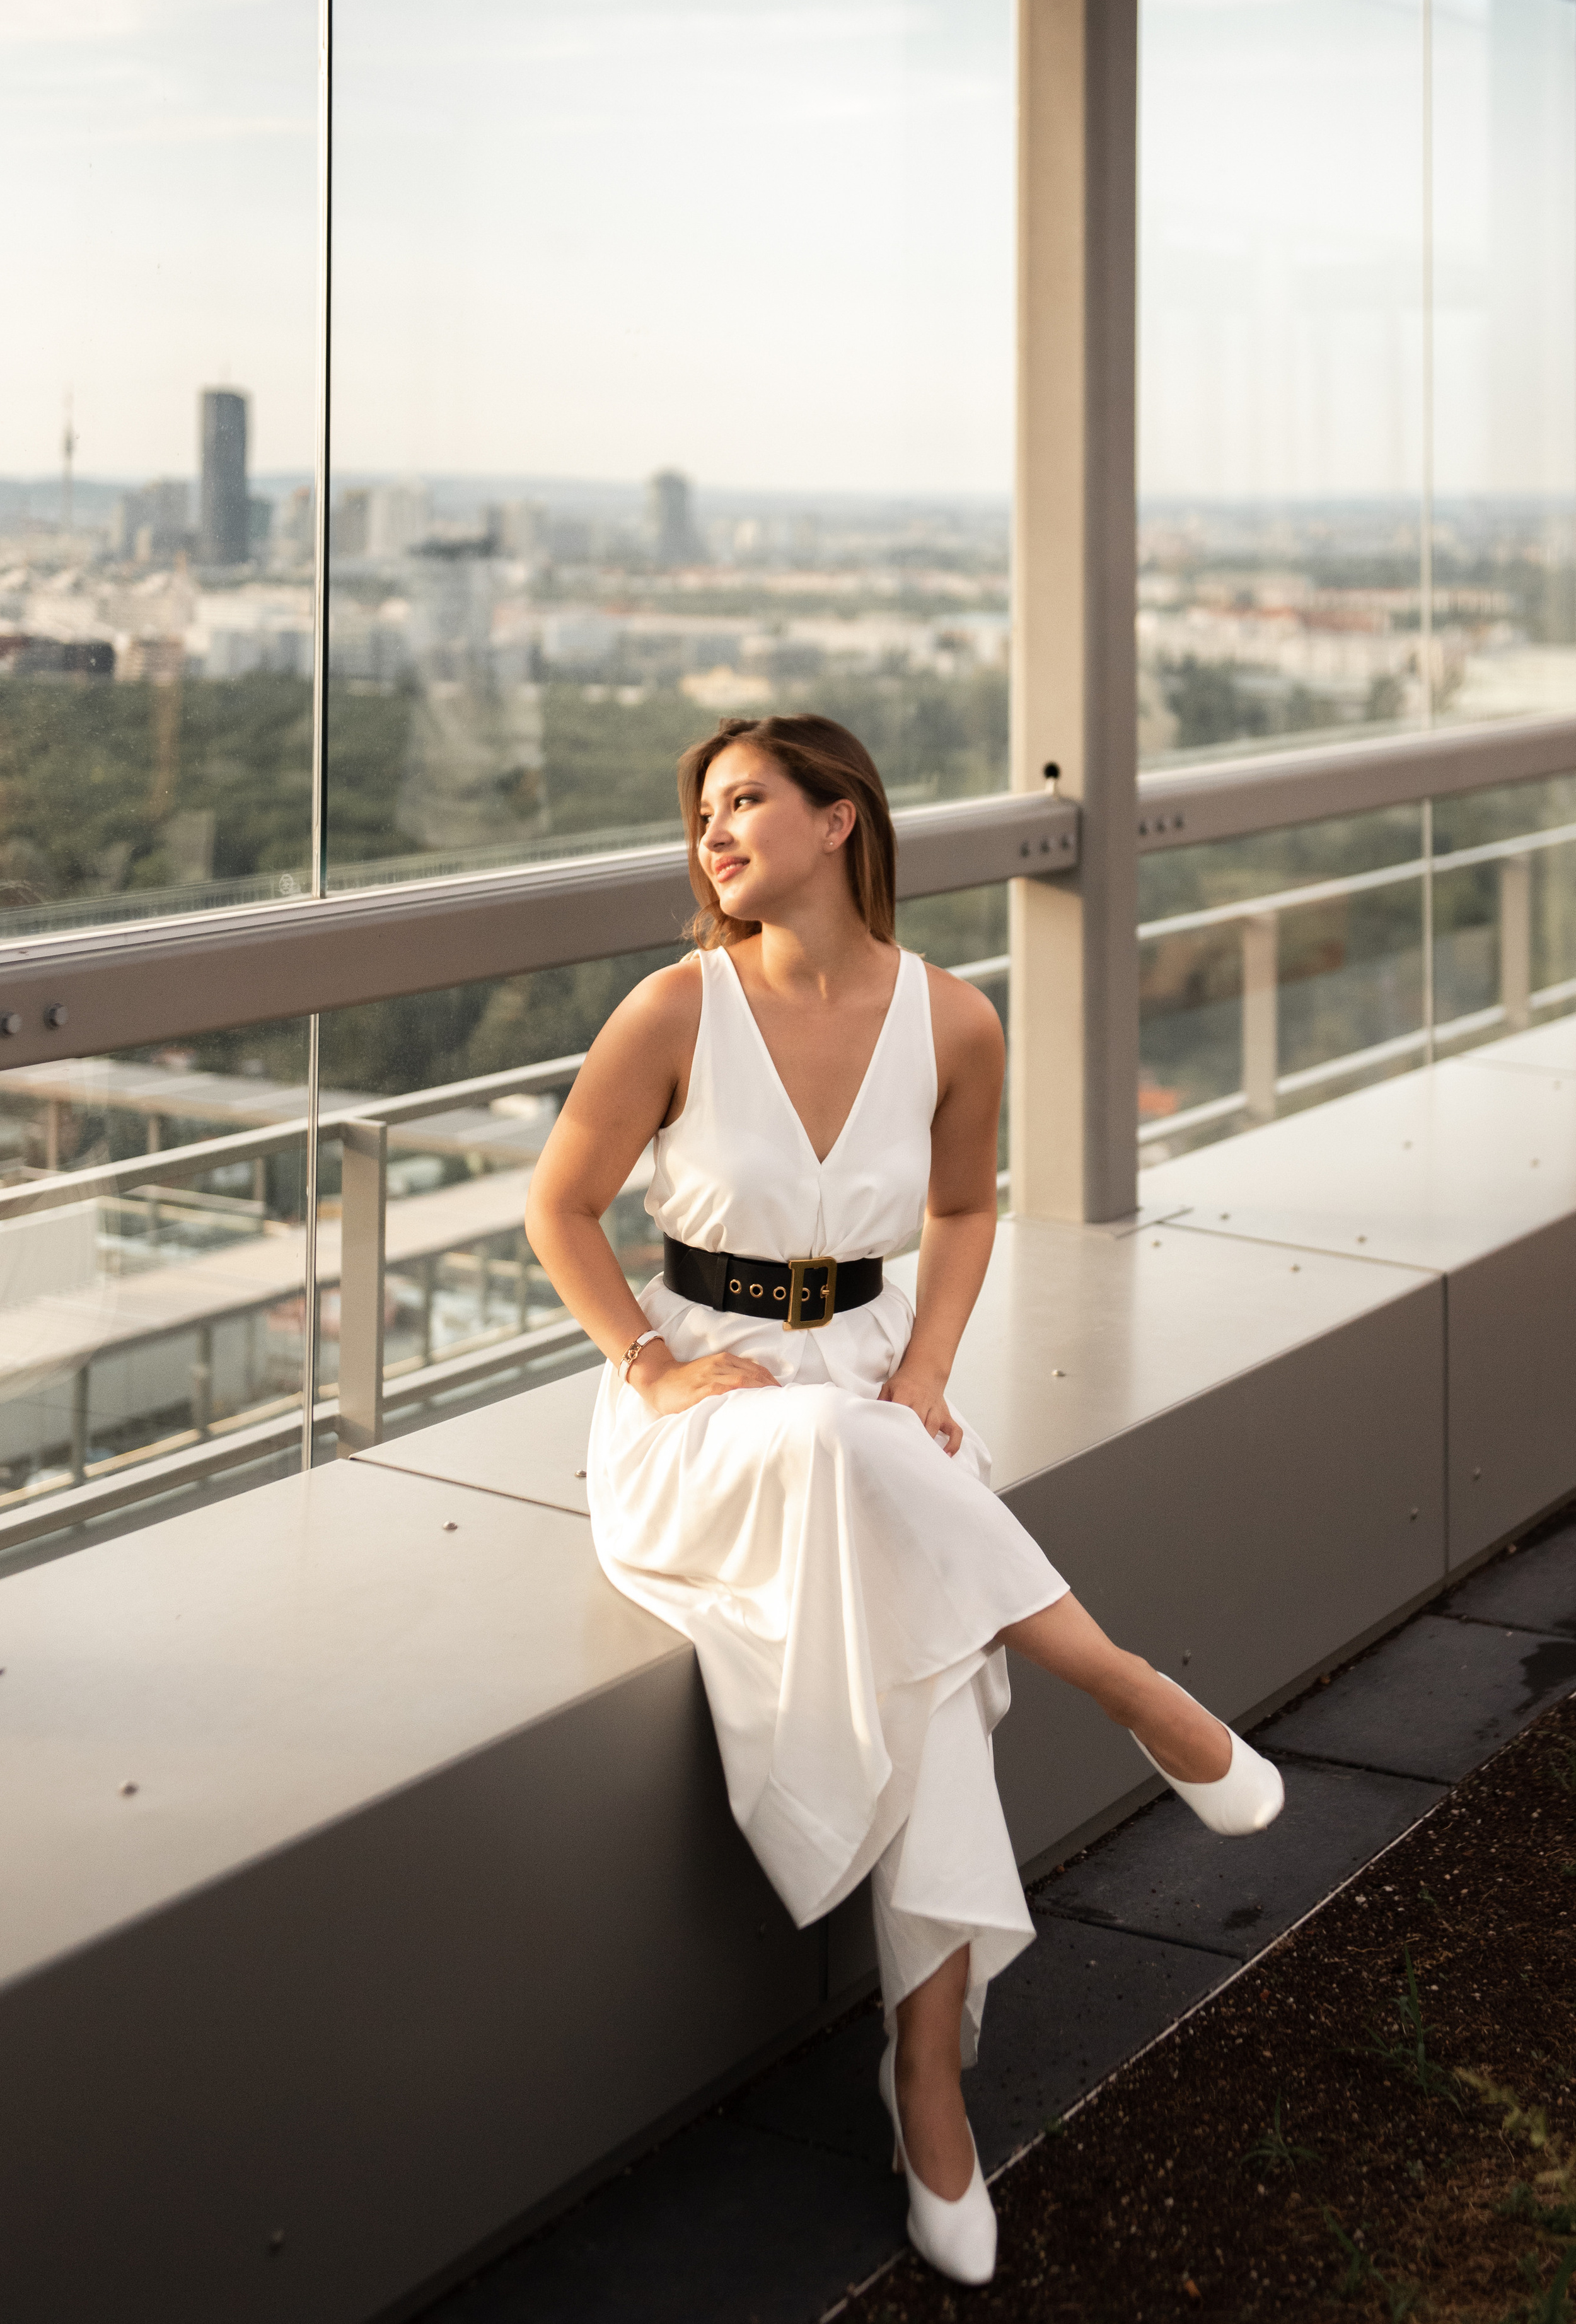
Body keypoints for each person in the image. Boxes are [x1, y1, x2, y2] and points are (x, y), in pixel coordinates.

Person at [524, 714, 1283, 2285]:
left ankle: (927, 2083)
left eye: (746, 802)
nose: (712, 834)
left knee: (924, 1655)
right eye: (703, 812)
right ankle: (1126, 1684)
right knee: (823, 1449)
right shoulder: (673, 1007)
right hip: (707, 1421)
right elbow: (560, 1206)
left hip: (874, 1386)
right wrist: (646, 1365)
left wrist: (928, 1369)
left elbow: (957, 1204)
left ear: (839, 818)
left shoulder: (956, 1020)